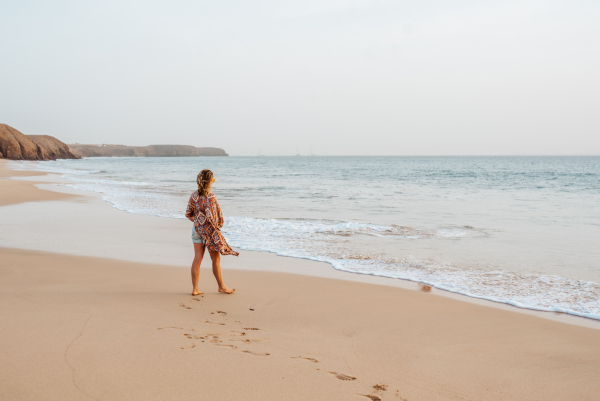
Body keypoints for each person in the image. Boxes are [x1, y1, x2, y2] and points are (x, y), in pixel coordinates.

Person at [185, 169, 238, 295]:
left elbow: (188, 214)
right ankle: (222, 287)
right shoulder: (211, 197)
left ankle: (195, 289)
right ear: (210, 182)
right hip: (210, 232)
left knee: (197, 258)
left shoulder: (194, 195)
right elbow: (217, 219)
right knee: (216, 260)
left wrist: (198, 222)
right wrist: (214, 229)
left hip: (197, 229)